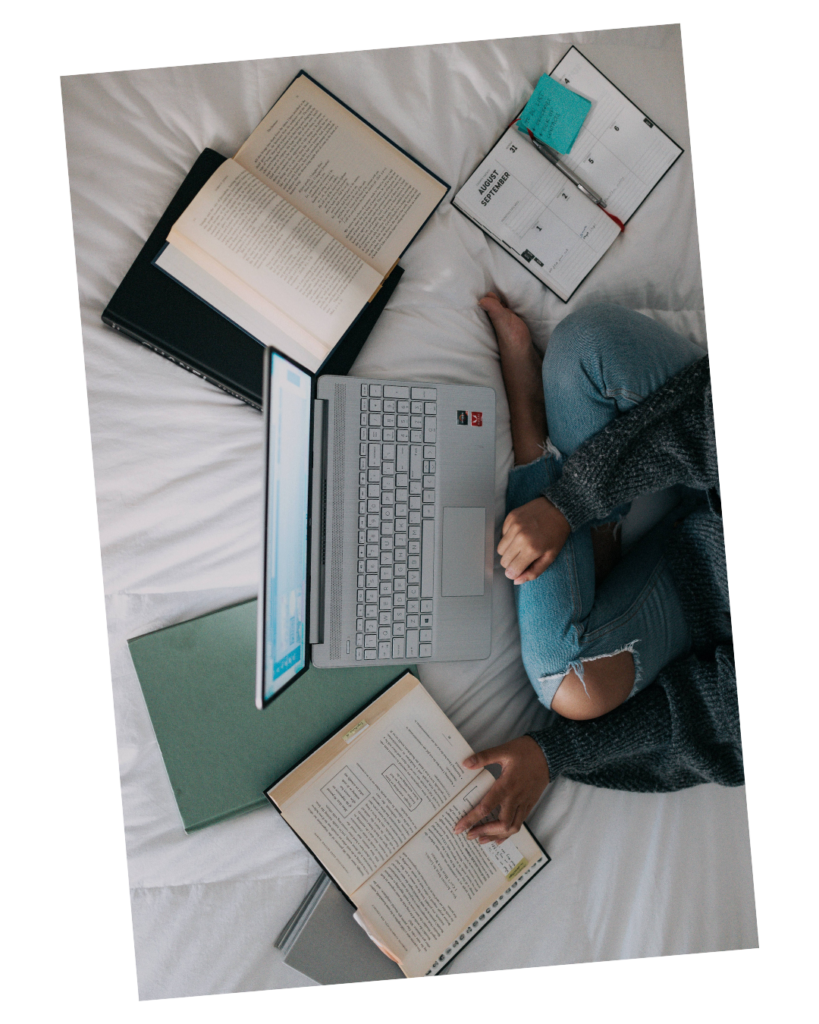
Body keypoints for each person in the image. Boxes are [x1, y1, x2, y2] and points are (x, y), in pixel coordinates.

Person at [453, 294, 740, 845]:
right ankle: (590, 523)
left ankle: (530, 422)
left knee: (569, 682)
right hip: (704, 456)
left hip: (703, 582)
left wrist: (554, 752)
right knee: (586, 348)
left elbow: (719, 711)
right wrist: (571, 504)